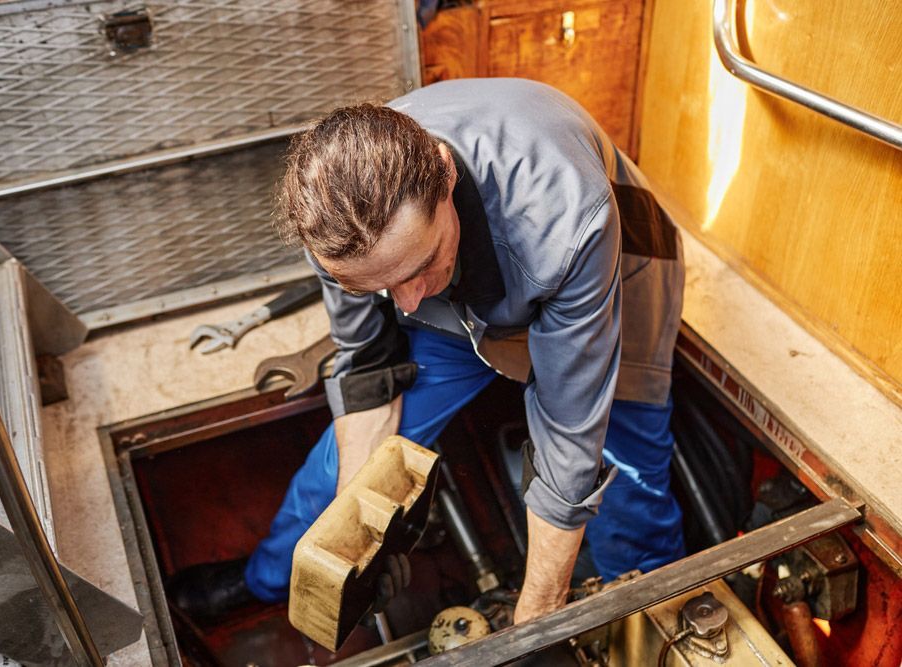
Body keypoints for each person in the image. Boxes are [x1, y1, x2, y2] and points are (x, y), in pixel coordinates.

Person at [169, 78, 686, 625]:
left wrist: (534, 623)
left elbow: (568, 435)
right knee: (336, 474)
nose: (409, 304)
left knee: (621, 475)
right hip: (464, 309)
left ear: (445, 172)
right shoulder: (333, 219)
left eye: (418, 267)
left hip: (608, 279)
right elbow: (370, 367)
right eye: (377, 288)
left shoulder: (564, 217)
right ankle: (268, 580)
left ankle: (655, 613)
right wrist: (354, 541)